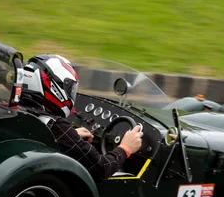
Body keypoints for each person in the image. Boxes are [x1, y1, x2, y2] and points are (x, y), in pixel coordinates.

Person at [18, 53, 144, 181]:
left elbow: (51, 136)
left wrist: (71, 135)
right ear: (53, 87)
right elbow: (101, 168)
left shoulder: (15, 109)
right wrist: (125, 148)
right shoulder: (56, 125)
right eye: (70, 89)